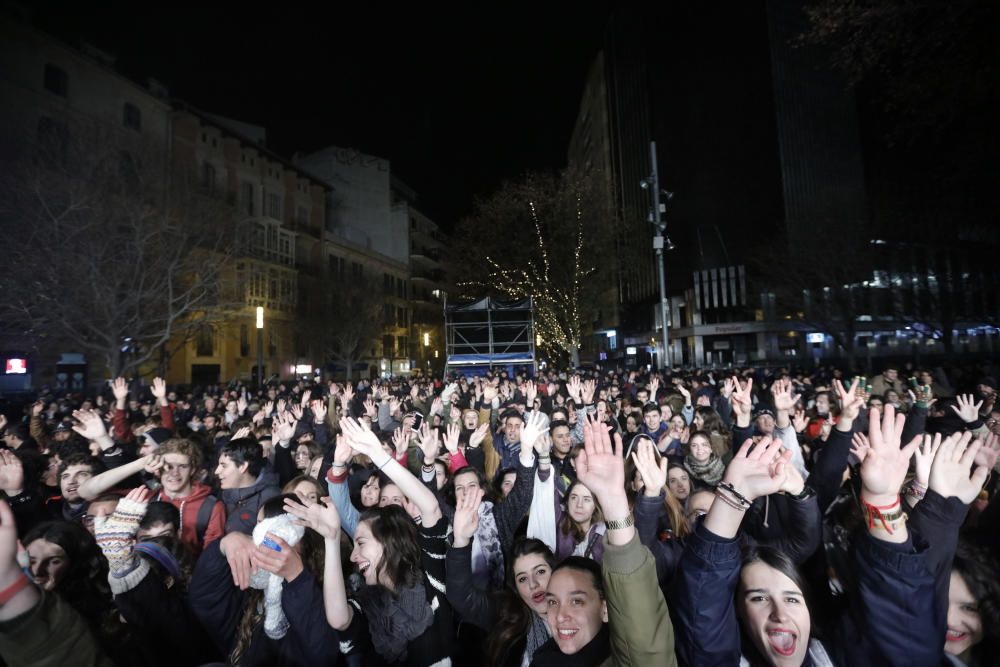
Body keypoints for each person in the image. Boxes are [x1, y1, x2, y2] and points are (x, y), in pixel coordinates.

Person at [671, 406, 950, 666]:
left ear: (810, 609)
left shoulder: (837, 656)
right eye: (758, 598)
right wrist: (731, 501)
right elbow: (703, 608)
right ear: (738, 614)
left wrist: (883, 500)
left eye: (793, 599)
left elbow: (906, 638)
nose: (779, 614)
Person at [286, 416, 455, 666]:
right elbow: (339, 620)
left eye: (362, 543)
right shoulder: (368, 600)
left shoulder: (429, 574)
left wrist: (378, 454)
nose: (354, 556)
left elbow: (430, 507)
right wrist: (332, 539)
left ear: (389, 538)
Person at [189, 493, 338, 666]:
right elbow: (204, 601)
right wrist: (223, 546)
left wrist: (296, 577)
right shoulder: (254, 587)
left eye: (276, 529)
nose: (263, 539)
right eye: (259, 526)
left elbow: (322, 655)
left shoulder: (325, 594)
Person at [0, 499, 113, 666]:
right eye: (30, 560)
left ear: (75, 566)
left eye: (54, 561)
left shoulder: (101, 619)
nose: (37, 570)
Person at [215, 437, 281, 535]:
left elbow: (277, 543)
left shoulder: (272, 498)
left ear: (242, 466)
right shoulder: (223, 494)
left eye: (224, 466)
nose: (216, 471)